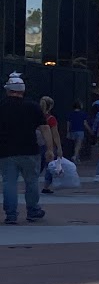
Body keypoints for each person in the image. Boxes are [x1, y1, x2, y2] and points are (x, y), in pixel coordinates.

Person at [0, 72, 48, 225]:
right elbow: (44, 128)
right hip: (30, 149)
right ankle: (33, 210)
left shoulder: (2, 106)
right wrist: (50, 148)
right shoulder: (33, 106)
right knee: (31, 181)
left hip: (6, 151)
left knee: (9, 183)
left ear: (8, 90)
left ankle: (11, 214)